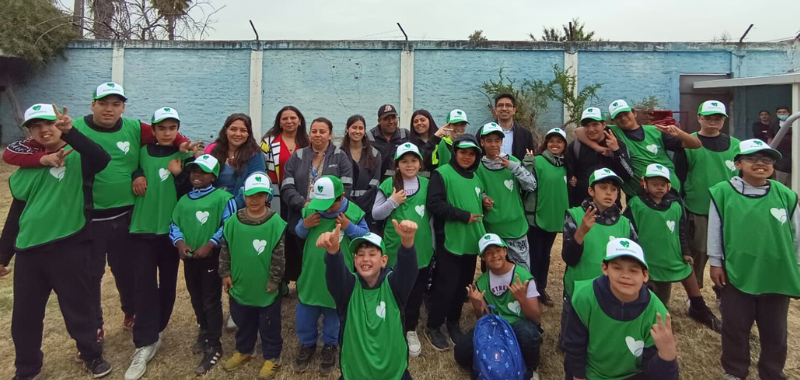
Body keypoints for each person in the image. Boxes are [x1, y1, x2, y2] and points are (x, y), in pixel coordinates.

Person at [2, 82, 192, 337]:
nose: (109, 109)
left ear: (123, 107)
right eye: (103, 103)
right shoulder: (71, 128)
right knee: (90, 276)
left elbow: (167, 133)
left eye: (115, 104)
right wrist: (41, 159)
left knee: (127, 271)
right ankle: (95, 325)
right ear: (92, 105)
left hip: (127, 215)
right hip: (88, 216)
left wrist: (182, 144)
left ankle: (131, 311)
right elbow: (14, 151)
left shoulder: (135, 128)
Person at [10, 104, 113, 379]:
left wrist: (71, 133)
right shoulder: (26, 167)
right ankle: (26, 368)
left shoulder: (79, 157)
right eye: (36, 126)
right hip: (29, 252)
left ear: (60, 124)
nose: (44, 130)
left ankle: (92, 355)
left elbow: (101, 158)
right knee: (25, 316)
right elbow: (17, 212)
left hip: (68, 244)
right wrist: (2, 255)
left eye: (50, 123)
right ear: (30, 132)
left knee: (78, 307)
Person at [708, 139, 800, 380]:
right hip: (738, 272)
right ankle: (735, 371)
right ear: (738, 163)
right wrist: (716, 261)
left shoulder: (786, 195)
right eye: (752, 158)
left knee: (775, 331)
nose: (761, 163)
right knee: (735, 327)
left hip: (776, 274)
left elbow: (796, 235)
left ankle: (772, 371)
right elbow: (715, 229)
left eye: (767, 159)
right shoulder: (722, 192)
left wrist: (797, 266)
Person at [125, 107, 196, 380]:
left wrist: (180, 173)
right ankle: (144, 343)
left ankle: (158, 330)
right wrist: (136, 175)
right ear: (152, 131)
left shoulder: (185, 155)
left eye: (172, 128)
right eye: (162, 128)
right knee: (143, 285)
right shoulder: (141, 152)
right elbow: (131, 170)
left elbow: (192, 192)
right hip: (142, 230)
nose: (167, 133)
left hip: (171, 233)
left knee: (168, 285)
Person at [562, 239, 679, 380]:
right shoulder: (584, 298)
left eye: (634, 270)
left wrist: (667, 355)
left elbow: (657, 373)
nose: (625, 275)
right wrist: (579, 376)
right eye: (617, 268)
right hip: (591, 373)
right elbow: (574, 346)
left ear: (645, 275)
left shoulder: (656, 311)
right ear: (605, 269)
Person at [624, 164, 721, 332]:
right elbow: (629, 230)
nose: (659, 188)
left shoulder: (676, 204)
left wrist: (686, 251)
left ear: (669, 185)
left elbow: (681, 230)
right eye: (654, 183)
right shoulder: (636, 204)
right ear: (644, 184)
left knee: (687, 269)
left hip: (671, 253)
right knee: (655, 298)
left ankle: (698, 306)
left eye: (663, 184)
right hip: (648, 256)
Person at [323, 220, 420, 380]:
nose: (365, 259)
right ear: (354, 261)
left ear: (384, 260)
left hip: (394, 373)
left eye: (372, 254)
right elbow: (335, 275)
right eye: (360, 255)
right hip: (355, 373)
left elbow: (408, 270)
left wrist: (407, 241)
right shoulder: (348, 288)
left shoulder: (394, 285)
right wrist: (333, 251)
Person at [293, 175, 369, 376]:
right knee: (305, 313)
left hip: (338, 277)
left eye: (330, 204)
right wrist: (305, 224)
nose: (325, 209)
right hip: (311, 275)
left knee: (333, 314)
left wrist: (349, 227)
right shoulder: (311, 210)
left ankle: (330, 346)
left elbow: (366, 238)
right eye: (321, 203)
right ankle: (307, 344)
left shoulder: (352, 212)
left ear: (341, 196)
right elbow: (298, 233)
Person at [169, 154, 237, 375]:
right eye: (193, 171)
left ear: (214, 175)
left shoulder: (222, 198)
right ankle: (204, 329)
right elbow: (175, 223)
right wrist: (179, 243)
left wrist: (211, 243)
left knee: (210, 299)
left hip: (212, 257)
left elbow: (229, 223)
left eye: (203, 171)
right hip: (191, 258)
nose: (197, 175)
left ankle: (214, 344)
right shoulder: (184, 200)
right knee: (196, 296)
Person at [220, 173, 287, 379]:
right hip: (241, 284)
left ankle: (272, 356)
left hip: (265, 287)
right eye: (250, 195)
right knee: (244, 321)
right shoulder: (232, 222)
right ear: (244, 195)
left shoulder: (275, 223)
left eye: (260, 195)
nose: (255, 200)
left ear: (267, 196)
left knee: (269, 324)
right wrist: (225, 273)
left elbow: (279, 256)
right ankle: (244, 350)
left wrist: (275, 280)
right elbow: (225, 249)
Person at [561, 168, 637, 347]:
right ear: (591, 191)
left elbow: (633, 260)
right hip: (579, 287)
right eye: (603, 187)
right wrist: (581, 232)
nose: (609, 193)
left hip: (611, 290)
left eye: (613, 189)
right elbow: (569, 258)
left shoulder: (625, 223)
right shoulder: (575, 215)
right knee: (570, 342)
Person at [372, 142, 435, 357]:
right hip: (394, 247)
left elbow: (432, 217)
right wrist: (392, 201)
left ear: (420, 163)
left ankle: (410, 329)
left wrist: (434, 243)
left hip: (422, 248)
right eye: (404, 161)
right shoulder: (389, 183)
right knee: (393, 289)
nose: (409, 165)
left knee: (416, 291)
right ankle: (391, 327)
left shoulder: (427, 184)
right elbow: (376, 214)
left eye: (414, 160)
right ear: (397, 164)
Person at [673, 101, 740, 299]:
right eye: (708, 117)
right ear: (699, 118)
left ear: (724, 120)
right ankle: (695, 295)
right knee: (698, 253)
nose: (713, 121)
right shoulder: (688, 143)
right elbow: (680, 176)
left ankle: (725, 292)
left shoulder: (736, 145)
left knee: (730, 253)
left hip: (729, 210)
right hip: (698, 208)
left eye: (718, 118)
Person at [425, 134, 486, 351]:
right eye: (463, 152)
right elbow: (434, 203)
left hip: (471, 242)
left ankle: (453, 321)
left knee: (463, 286)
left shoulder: (475, 177)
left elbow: (474, 198)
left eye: (472, 154)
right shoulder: (442, 173)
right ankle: (433, 325)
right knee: (445, 286)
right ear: (455, 153)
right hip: (450, 240)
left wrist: (484, 201)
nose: (467, 157)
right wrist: (463, 215)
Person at [454, 233, 543, 380]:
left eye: (497, 250)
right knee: (461, 352)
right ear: (482, 258)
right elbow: (484, 319)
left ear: (505, 251)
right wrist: (477, 306)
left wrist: (522, 300)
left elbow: (535, 318)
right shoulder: (482, 282)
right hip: (495, 327)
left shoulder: (523, 277)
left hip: (518, 325)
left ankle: (530, 368)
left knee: (528, 335)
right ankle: (492, 363)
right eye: (488, 253)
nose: (494, 255)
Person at [575, 99, 702, 198]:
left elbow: (696, 144)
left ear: (634, 113)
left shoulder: (655, 131)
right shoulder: (614, 131)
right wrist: (598, 148)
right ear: (613, 121)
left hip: (667, 190)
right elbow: (579, 130)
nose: (623, 118)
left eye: (626, 114)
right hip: (638, 194)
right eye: (618, 117)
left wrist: (679, 133)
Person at [281, 117, 353, 285]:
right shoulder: (297, 156)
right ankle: (305, 295)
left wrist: (328, 208)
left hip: (329, 219)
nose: (317, 135)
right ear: (309, 134)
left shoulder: (340, 157)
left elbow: (346, 188)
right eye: (314, 131)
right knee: (303, 262)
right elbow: (286, 186)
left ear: (330, 135)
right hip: (301, 218)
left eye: (322, 131)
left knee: (326, 261)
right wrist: (303, 204)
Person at [477, 122, 538, 270]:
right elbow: (476, 190)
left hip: (516, 228)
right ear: (482, 142)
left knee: (521, 272)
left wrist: (513, 166)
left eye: (497, 140)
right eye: (489, 140)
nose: (493, 144)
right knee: (493, 271)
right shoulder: (478, 167)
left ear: (502, 142)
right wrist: (483, 198)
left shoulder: (513, 162)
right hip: (492, 229)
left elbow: (531, 185)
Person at [523, 128, 570, 307]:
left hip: (554, 217)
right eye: (551, 141)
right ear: (546, 143)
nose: (555, 144)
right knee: (534, 256)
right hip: (536, 219)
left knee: (546, 256)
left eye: (559, 141)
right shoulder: (537, 161)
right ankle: (531, 291)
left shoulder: (566, 165)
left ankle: (541, 289)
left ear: (565, 145)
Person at [565, 107, 635, 207]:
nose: (591, 129)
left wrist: (617, 152)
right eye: (587, 126)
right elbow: (567, 174)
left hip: (610, 208)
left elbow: (628, 175)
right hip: (581, 207)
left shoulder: (617, 144)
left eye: (595, 124)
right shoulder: (576, 146)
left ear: (603, 125)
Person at [205, 113, 267, 208]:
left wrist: (232, 206)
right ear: (226, 130)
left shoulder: (255, 155)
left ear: (248, 133)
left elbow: (255, 184)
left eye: (243, 130)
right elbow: (203, 179)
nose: (238, 134)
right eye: (233, 129)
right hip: (212, 205)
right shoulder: (212, 150)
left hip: (242, 207)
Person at [341, 115, 382, 233]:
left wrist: (361, 206)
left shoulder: (375, 155)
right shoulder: (339, 154)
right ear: (347, 129)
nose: (357, 131)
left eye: (361, 128)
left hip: (368, 208)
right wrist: (349, 206)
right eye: (354, 128)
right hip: (345, 208)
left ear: (364, 131)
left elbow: (375, 182)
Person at [488, 93, 536, 161]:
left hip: (516, 171)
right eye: (500, 105)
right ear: (495, 110)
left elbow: (531, 159)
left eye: (508, 105)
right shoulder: (485, 132)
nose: (504, 108)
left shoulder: (526, 135)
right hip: (490, 170)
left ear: (514, 110)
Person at [369, 104, 410, 181]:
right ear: (379, 121)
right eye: (386, 119)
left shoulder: (406, 135)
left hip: (400, 182)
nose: (391, 122)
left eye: (394, 118)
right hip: (376, 182)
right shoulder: (369, 137)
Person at [408, 109, 439, 177]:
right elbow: (422, 161)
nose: (419, 123)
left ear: (430, 121)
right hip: (419, 182)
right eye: (415, 121)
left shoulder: (440, 140)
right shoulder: (410, 145)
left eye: (422, 120)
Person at [767, 106, 793, 186]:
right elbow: (770, 137)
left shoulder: (795, 122)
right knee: (780, 175)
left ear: (788, 113)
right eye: (780, 112)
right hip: (780, 152)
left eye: (784, 112)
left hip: (792, 151)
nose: (782, 114)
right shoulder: (774, 124)